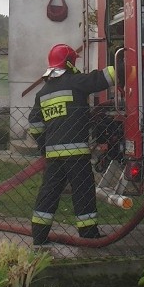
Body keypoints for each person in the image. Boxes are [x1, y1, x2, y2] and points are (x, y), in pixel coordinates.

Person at [28, 43, 116, 246]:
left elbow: (34, 125)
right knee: (83, 191)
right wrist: (124, 60)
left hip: (53, 155)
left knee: (48, 193)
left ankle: (39, 236)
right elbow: (103, 78)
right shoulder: (76, 82)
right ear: (69, 62)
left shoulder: (42, 94)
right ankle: (88, 235)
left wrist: (45, 148)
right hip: (76, 152)